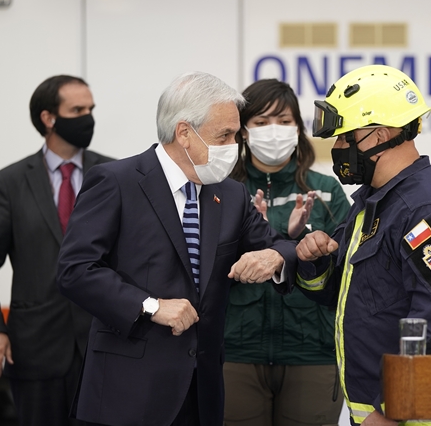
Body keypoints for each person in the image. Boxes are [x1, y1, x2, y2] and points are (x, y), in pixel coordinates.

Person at [55, 71, 298, 426]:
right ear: (184, 132)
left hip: (201, 395)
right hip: (128, 395)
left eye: (236, 134)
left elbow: (278, 246)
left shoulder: (230, 194)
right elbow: (74, 270)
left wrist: (277, 256)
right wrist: (150, 306)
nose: (234, 145)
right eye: (224, 135)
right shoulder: (116, 182)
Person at [295, 65, 431, 426]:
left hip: (418, 416)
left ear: (380, 135)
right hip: (380, 412)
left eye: (345, 138)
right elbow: (345, 296)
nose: (337, 149)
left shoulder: (426, 209)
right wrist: (313, 263)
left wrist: (390, 410)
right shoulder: (372, 202)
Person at [0, 75, 114, 426]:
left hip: (104, 343)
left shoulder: (114, 173)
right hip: (36, 349)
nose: (87, 118)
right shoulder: (11, 181)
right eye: (77, 110)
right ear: (48, 118)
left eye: (90, 109)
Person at [224, 78, 349, 426]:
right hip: (235, 352)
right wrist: (252, 236)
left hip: (313, 352)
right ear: (243, 131)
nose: (273, 131)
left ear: (298, 128)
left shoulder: (325, 192)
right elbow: (202, 267)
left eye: (283, 120)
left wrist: (302, 238)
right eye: (261, 122)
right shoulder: (222, 192)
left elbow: (346, 268)